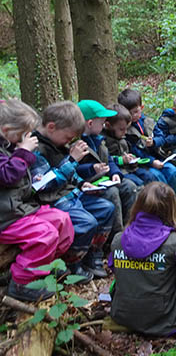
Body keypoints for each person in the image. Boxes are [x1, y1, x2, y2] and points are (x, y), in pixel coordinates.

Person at [109, 182, 176, 335]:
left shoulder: (119, 239)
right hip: (165, 316)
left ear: (138, 206)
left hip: (123, 313)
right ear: (171, 209)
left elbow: (114, 269)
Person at [31, 101, 115, 282]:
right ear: (52, 127)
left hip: (72, 195)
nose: (69, 142)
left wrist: (82, 184)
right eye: (68, 137)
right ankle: (73, 263)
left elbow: (71, 176)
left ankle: (93, 254)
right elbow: (43, 185)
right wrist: (72, 160)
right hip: (53, 201)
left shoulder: (57, 143)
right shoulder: (37, 149)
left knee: (106, 208)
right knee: (86, 222)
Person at [0, 99, 74, 301]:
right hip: (6, 217)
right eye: (22, 133)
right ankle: (23, 282)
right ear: (6, 130)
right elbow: (6, 175)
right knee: (45, 234)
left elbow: (16, 176)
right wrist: (23, 152)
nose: (26, 137)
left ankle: (46, 267)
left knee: (62, 220)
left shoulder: (9, 144)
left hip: (20, 207)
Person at [76, 100, 139, 253]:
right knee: (112, 194)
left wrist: (115, 173)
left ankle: (131, 229)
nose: (104, 125)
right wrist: (92, 168)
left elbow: (109, 160)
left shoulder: (98, 140)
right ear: (90, 123)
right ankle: (115, 240)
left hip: (105, 179)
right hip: (89, 184)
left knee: (129, 187)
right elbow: (75, 168)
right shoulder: (77, 143)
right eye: (102, 122)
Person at [117, 89, 176, 196]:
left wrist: (154, 142)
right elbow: (133, 151)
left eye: (136, 112)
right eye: (129, 113)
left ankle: (174, 198)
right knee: (157, 177)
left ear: (141, 108)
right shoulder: (125, 130)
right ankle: (164, 202)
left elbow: (162, 137)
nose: (133, 116)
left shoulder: (149, 122)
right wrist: (152, 162)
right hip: (143, 164)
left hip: (159, 157)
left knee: (173, 172)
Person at [102, 103, 167, 187]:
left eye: (126, 128)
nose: (125, 132)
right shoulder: (104, 140)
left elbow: (128, 151)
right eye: (122, 129)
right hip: (118, 171)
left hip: (130, 168)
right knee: (138, 184)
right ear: (108, 126)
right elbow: (106, 159)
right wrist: (121, 160)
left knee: (149, 177)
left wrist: (131, 158)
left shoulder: (121, 136)